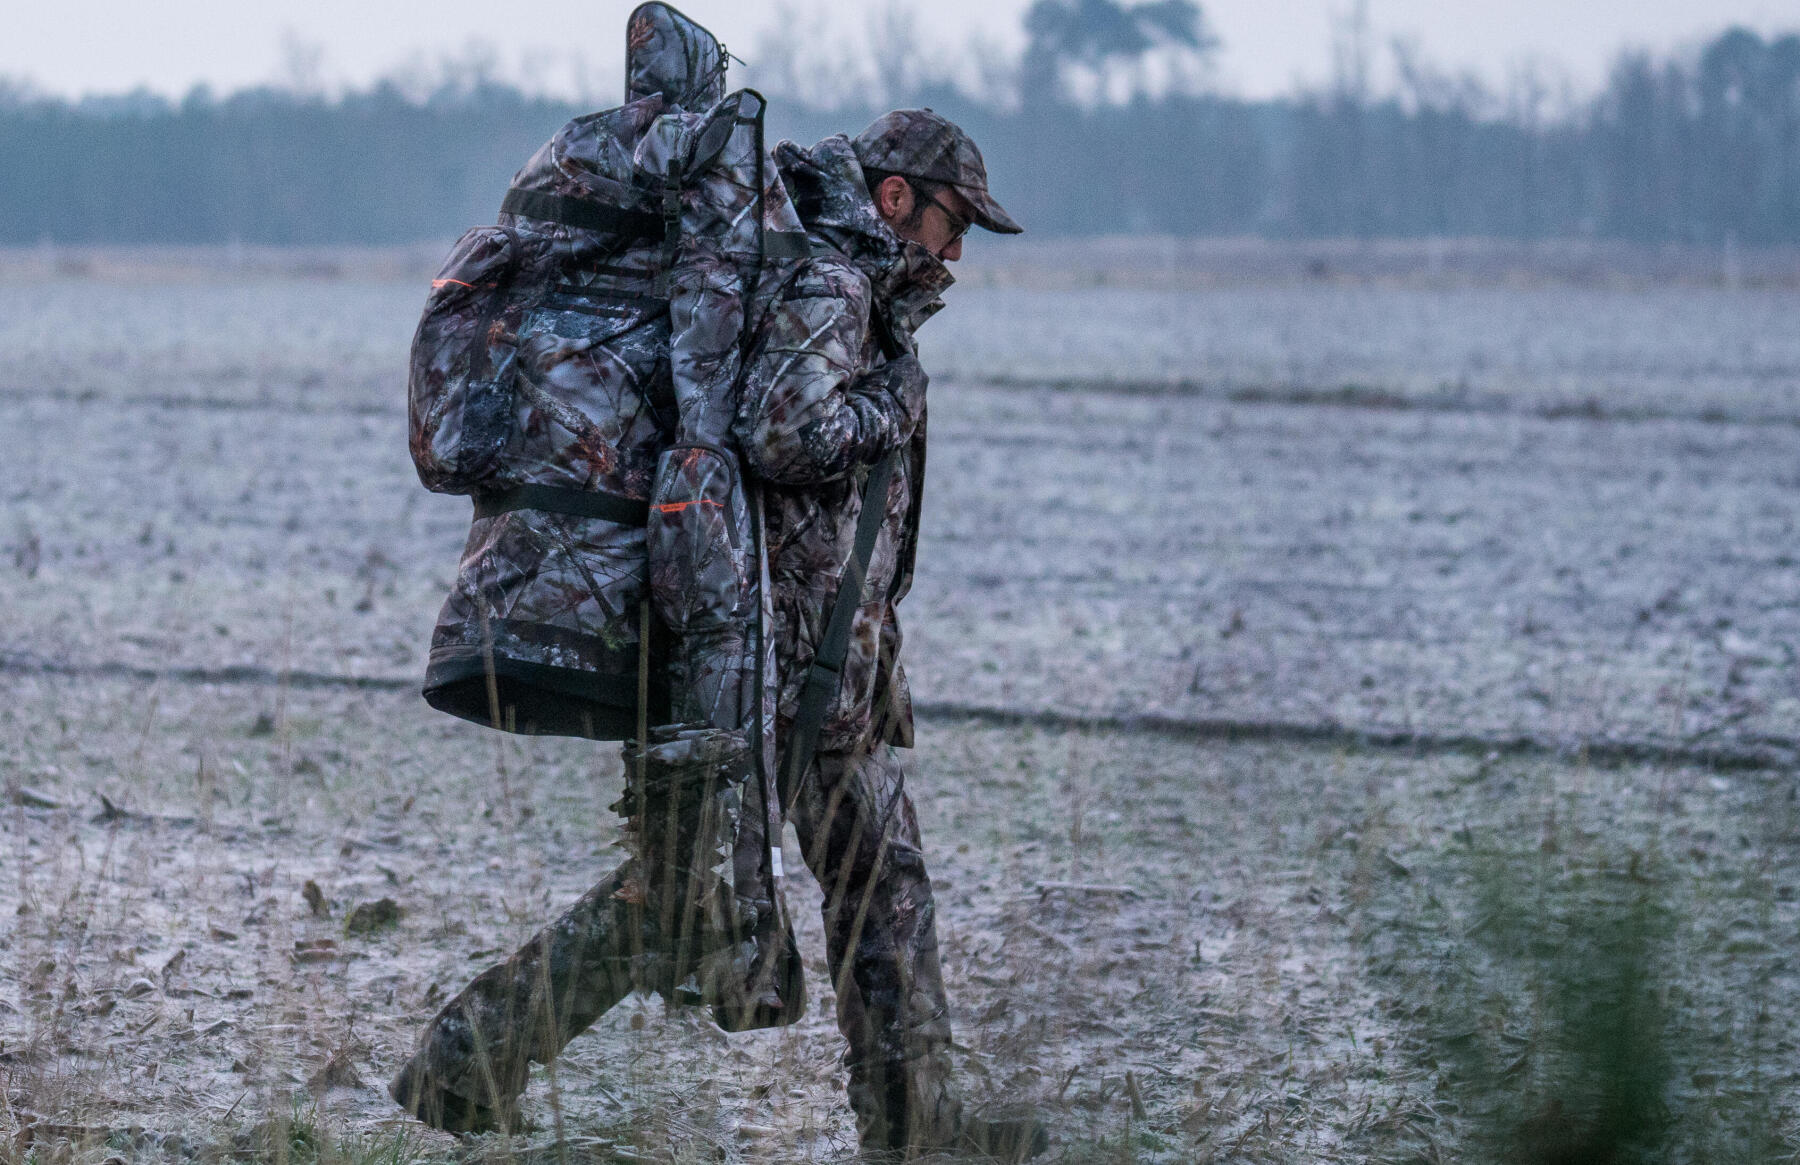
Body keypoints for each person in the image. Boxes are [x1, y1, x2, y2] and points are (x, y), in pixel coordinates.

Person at [389, 108, 1042, 1160]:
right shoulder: (830, 284)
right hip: (783, 656)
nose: (957, 251)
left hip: (810, 650)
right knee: (699, 893)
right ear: (893, 198)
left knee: (848, 885)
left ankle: (918, 1130)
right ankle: (466, 1057)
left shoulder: (838, 277)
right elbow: (787, 430)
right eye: (952, 222)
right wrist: (891, 399)